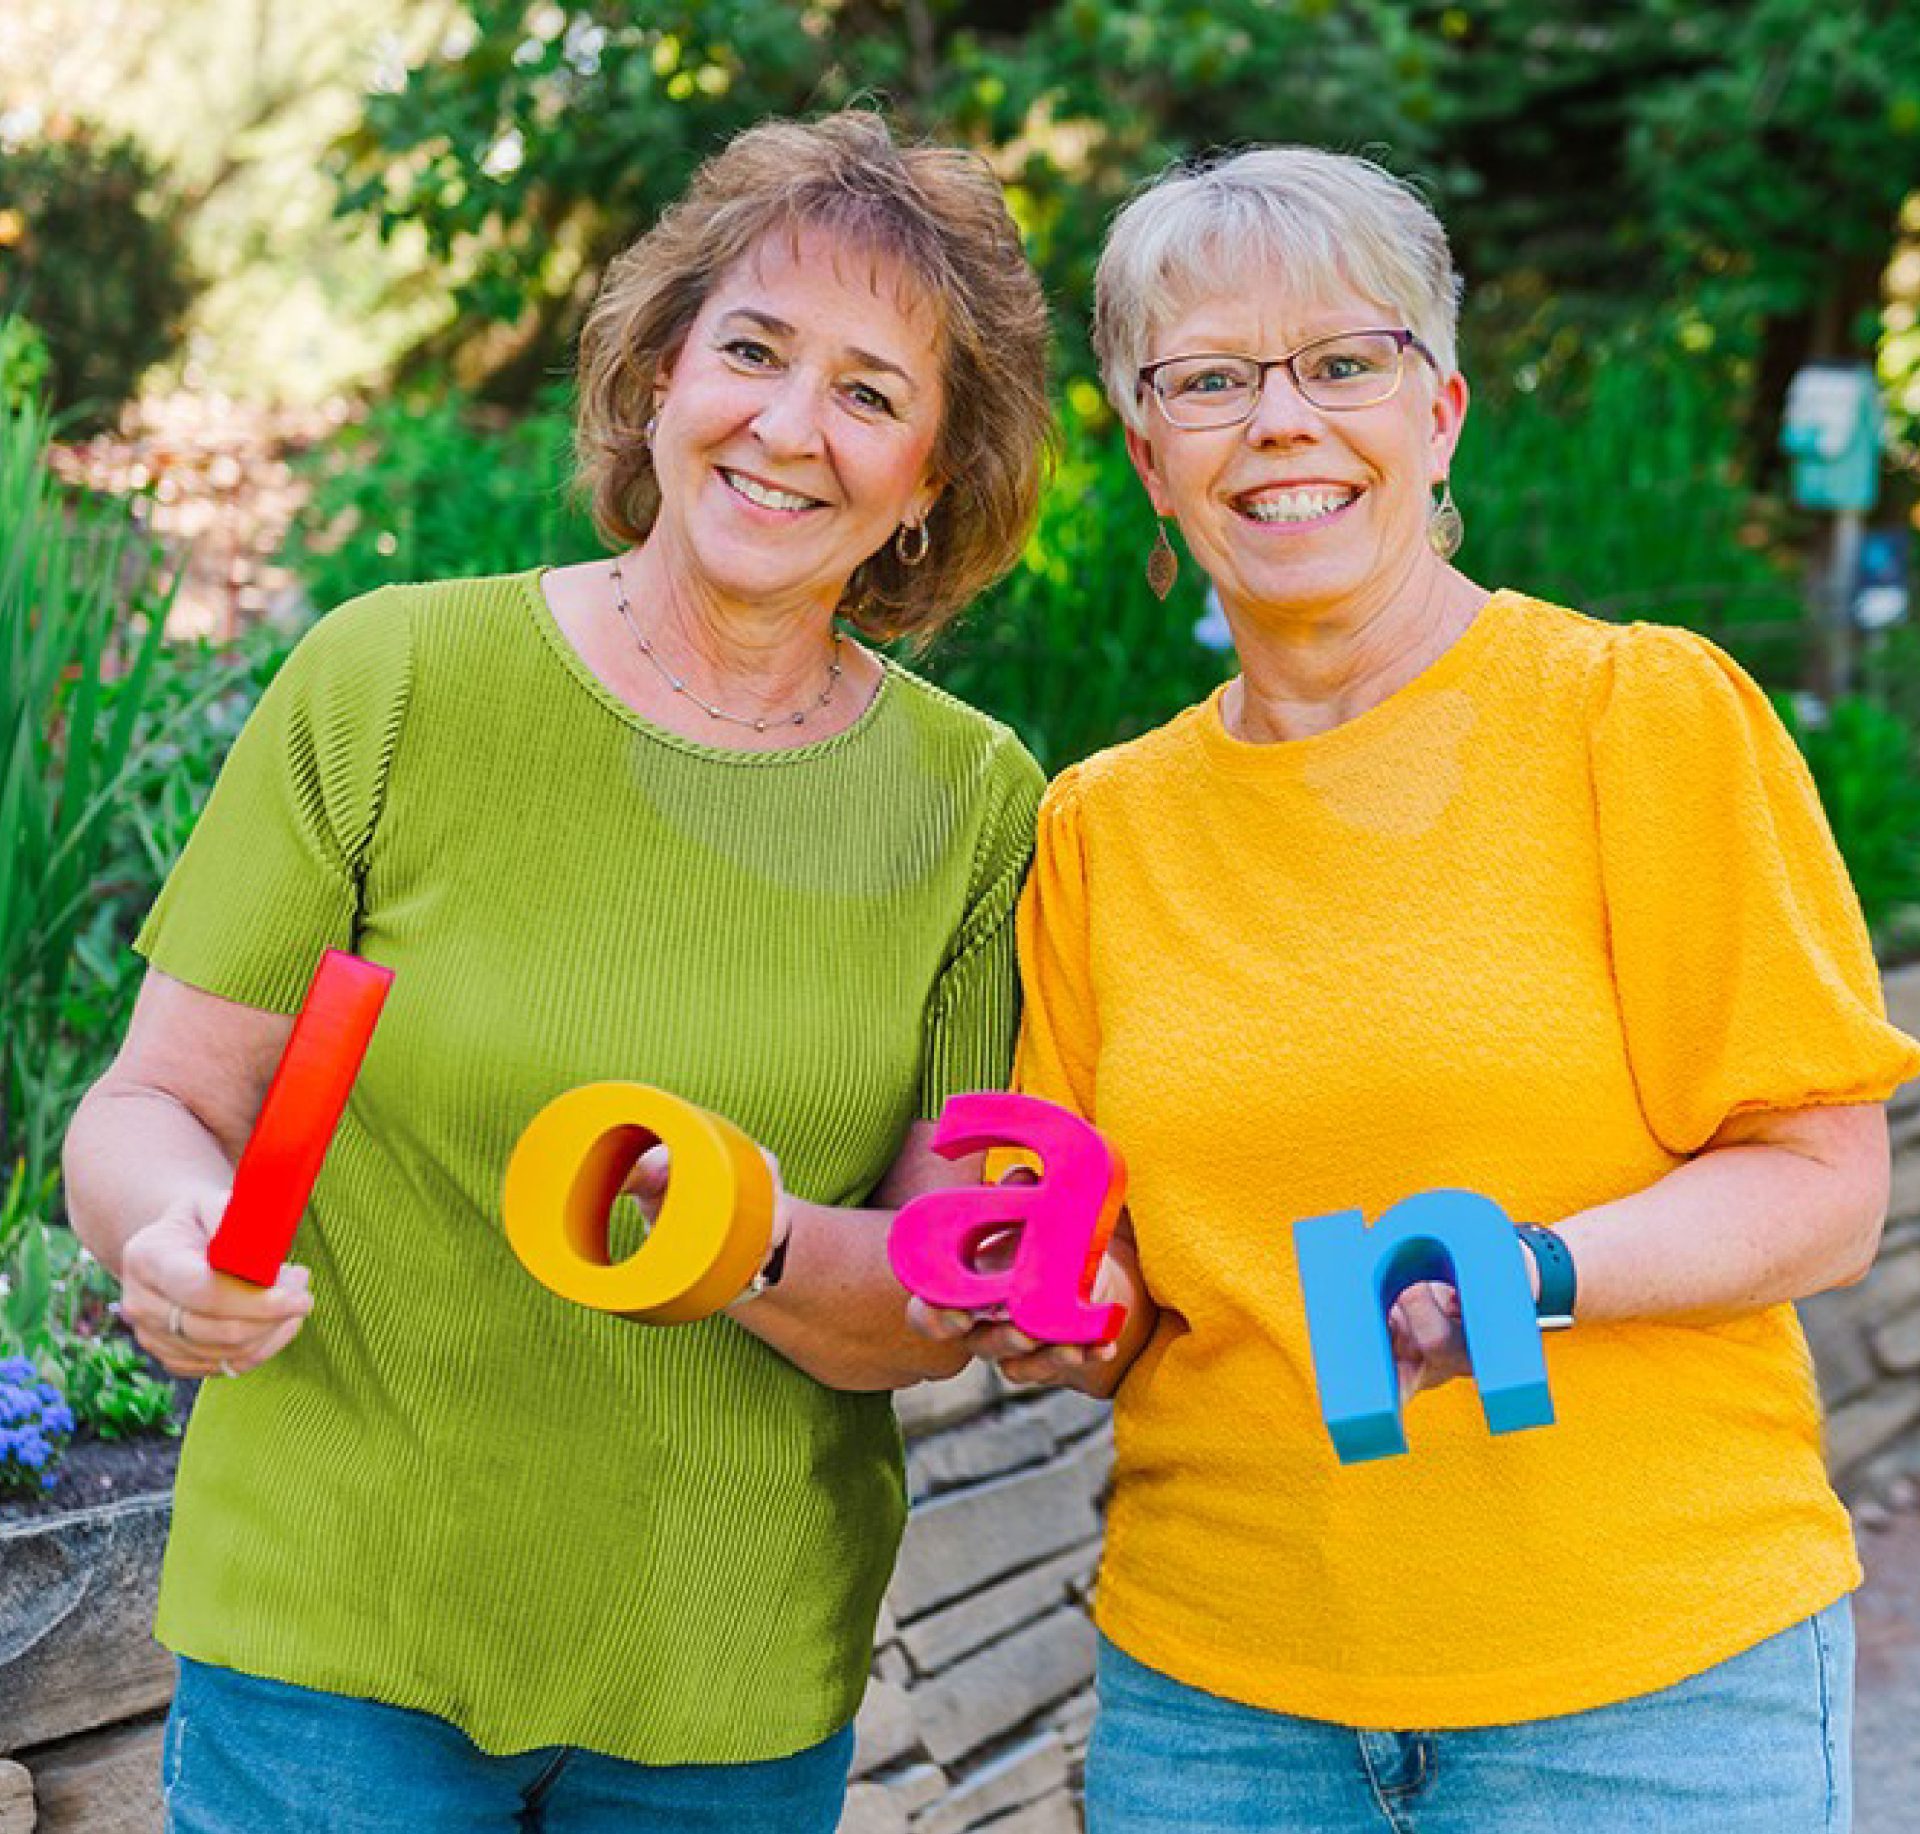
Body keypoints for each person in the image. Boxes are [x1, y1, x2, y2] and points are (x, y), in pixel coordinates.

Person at [62, 109, 1052, 1834]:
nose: (788, 426)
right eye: (752, 350)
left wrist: (743, 1235)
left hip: (727, 1676)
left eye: (869, 393)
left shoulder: (975, 806)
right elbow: (153, 1101)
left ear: (931, 484)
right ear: (662, 373)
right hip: (333, 1646)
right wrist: (172, 1235)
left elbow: (927, 1307)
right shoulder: (391, 681)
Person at [916, 146, 1917, 1833]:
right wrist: (1051, 1305)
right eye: (1209, 381)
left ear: (1439, 414)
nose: (1279, 421)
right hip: (1221, 1712)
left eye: (1342, 363)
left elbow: (1825, 1185)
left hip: (1646, 1696)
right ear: (1151, 458)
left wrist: (1531, 1273)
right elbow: (1118, 1279)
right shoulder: (1100, 828)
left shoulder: (1637, 716)